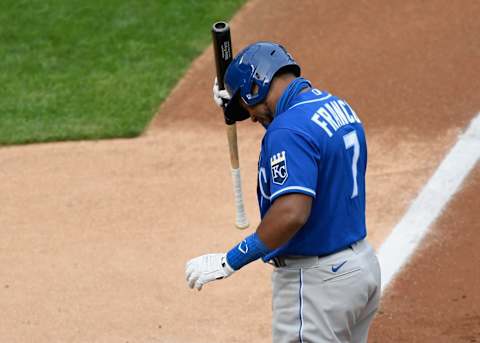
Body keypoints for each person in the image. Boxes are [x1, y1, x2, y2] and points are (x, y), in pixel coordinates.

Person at [185, 41, 381, 343]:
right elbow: (305, 144)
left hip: (317, 285)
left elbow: (291, 214)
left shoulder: (288, 132)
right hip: (359, 270)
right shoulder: (334, 107)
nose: (249, 116)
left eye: (246, 105)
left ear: (255, 86)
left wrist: (230, 261)